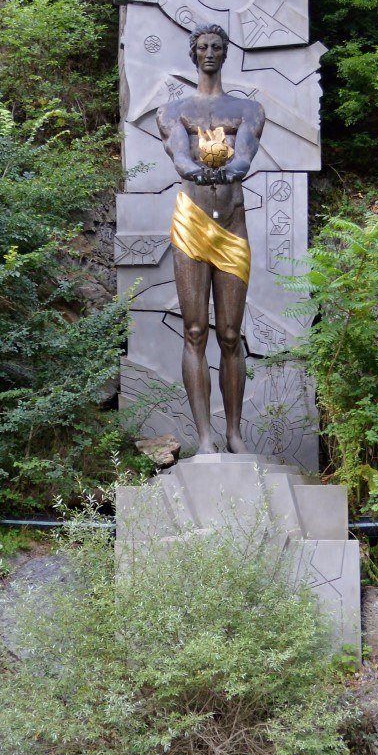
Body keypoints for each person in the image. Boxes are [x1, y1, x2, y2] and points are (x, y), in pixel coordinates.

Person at [156, 24, 265, 455]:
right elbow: (179, 154)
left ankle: (235, 433)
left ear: (226, 53)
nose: (210, 54)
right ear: (193, 53)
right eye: (202, 47)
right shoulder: (174, 110)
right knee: (196, 329)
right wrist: (198, 168)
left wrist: (232, 166)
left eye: (217, 48)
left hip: (232, 220)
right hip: (193, 220)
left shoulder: (248, 109)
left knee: (231, 334)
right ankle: (205, 437)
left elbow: (246, 153)